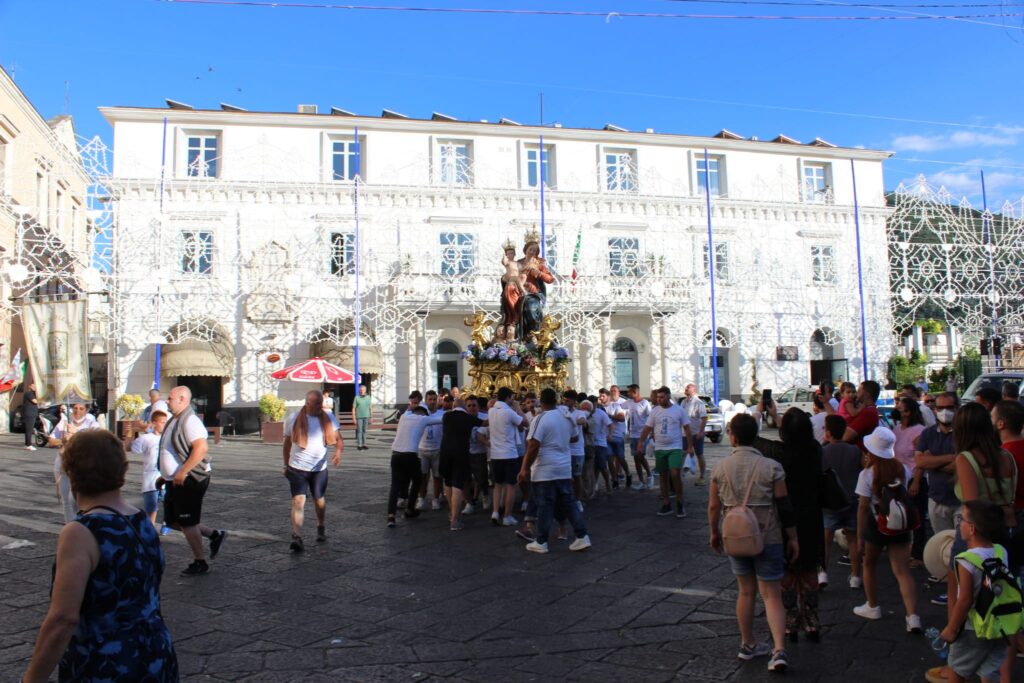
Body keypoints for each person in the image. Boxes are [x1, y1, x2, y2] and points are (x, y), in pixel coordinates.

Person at [21, 430, 178, 682]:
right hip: (155, 654)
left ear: (71, 472)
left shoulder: (81, 532)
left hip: (105, 663)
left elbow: (63, 618)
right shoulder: (141, 520)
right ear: (121, 470)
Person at [927, 402, 1019, 683]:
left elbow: (970, 505)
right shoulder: (1007, 458)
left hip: (976, 536)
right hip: (1007, 534)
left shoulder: (966, 458)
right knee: (998, 601)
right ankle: (997, 675)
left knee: (962, 600)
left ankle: (955, 666)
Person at [708, 413, 797, 673]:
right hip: (767, 535)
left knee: (745, 592)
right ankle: (779, 650)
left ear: (732, 435)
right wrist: (792, 536)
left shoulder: (720, 467)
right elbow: (784, 505)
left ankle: (747, 644)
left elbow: (714, 506)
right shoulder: (771, 467)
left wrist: (714, 532)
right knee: (772, 595)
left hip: (735, 536)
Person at [755, 404, 824, 642]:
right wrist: (776, 415)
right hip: (812, 515)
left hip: (785, 516)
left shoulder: (778, 452)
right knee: (809, 567)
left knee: (786, 569)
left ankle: (791, 621)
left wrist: (762, 413)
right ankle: (812, 619)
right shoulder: (815, 449)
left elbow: (751, 438)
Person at [853, 426, 922, 633]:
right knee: (902, 571)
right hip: (901, 524)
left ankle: (872, 606)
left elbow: (863, 507)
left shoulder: (867, 474)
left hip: (877, 524)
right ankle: (913, 616)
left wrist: (859, 536)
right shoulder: (903, 470)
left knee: (869, 564)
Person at [939, 500, 1012, 683]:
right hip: (998, 624)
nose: (958, 524)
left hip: (973, 628)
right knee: (989, 671)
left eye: (960, 519)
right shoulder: (1001, 551)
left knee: (956, 671)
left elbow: (964, 600)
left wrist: (952, 628)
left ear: (971, 529)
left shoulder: (966, 559)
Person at [159, 385, 226, 576]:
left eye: (170, 398)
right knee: (172, 521)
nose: (167, 400)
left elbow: (201, 448)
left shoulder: (190, 421)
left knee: (187, 521)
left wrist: (183, 471)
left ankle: (200, 561)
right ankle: (214, 534)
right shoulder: (175, 419)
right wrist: (165, 476)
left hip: (190, 479)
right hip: (175, 479)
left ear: (182, 399)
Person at [518, 388, 591, 553]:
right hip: (564, 468)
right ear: (556, 399)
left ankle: (541, 541)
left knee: (545, 505)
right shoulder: (565, 417)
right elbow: (575, 437)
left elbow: (533, 445)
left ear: (540, 402)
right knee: (570, 504)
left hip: (545, 469)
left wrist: (524, 468)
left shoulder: (540, 419)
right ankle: (582, 536)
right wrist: (559, 437)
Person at [915, 391, 961, 606]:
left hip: (960, 500)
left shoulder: (963, 434)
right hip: (937, 497)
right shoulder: (928, 434)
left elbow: (961, 466)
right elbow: (921, 463)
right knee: (943, 546)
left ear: (957, 408)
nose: (944, 412)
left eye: (948, 407)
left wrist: (934, 460)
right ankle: (949, 587)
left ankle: (960, 590)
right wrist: (949, 459)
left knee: (961, 548)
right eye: (939, 407)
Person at [282, 390, 343, 551]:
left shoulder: (328, 417)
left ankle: (320, 525)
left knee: (319, 499)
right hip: (297, 467)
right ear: (307, 403)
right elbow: (287, 443)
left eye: (320, 403)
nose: (320, 406)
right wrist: (285, 464)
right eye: (316, 403)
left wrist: (338, 452)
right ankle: (297, 536)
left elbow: (338, 439)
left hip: (319, 469)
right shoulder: (294, 418)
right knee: (298, 501)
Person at [820, 414, 863, 588]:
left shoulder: (823, 451)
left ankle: (822, 572)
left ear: (828, 433)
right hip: (851, 498)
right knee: (853, 539)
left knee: (826, 539)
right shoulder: (855, 450)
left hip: (830, 501)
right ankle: (855, 576)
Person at [639, 386, 693, 518]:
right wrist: (641, 442)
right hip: (660, 448)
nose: (659, 399)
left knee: (675, 474)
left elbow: (687, 428)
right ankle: (666, 503)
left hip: (675, 447)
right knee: (663, 476)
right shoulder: (655, 411)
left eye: (662, 397)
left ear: (668, 396)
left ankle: (680, 502)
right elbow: (647, 427)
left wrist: (690, 446)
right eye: (658, 397)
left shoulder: (679, 410)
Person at [387, 403, 443, 528]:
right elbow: (441, 419)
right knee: (418, 481)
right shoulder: (423, 418)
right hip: (411, 454)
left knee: (395, 486)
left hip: (396, 454)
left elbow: (409, 407)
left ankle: (391, 516)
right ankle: (410, 509)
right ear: (423, 413)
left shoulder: (403, 417)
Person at [49, 402, 101, 523]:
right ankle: (70, 526)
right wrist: (62, 440)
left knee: (77, 499)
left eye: (81, 408)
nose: (77, 411)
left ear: (86, 410)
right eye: (75, 408)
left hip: (81, 466)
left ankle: (81, 526)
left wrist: (76, 432)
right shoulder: (65, 422)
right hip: (63, 464)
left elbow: (96, 441)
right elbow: (51, 440)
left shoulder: (92, 423)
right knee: (66, 501)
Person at [439, 397, 484, 531]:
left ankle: (451, 512)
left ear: (453, 406)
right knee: (457, 485)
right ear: (464, 407)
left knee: (448, 483)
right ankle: (455, 519)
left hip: (445, 452)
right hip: (461, 453)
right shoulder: (468, 418)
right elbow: (485, 423)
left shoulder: (446, 416)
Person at [488, 387, 526, 525]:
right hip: (509, 453)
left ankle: (495, 512)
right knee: (510, 485)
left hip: (495, 454)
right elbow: (525, 423)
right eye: (512, 398)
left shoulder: (491, 411)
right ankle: (507, 516)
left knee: (498, 484)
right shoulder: (509, 412)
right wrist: (518, 409)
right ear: (508, 398)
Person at [130, 410, 169, 529]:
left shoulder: (168, 437)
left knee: (170, 506)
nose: (164, 425)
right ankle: (150, 533)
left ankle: (166, 523)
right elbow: (130, 448)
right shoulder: (146, 438)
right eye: (162, 422)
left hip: (166, 478)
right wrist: (130, 431)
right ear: (154, 423)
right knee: (151, 510)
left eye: (165, 422)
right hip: (151, 480)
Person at [416, 390, 445, 511]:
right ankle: (421, 499)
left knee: (437, 477)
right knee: (422, 476)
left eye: (434, 399)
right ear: (426, 400)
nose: (432, 402)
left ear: (437, 400)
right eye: (430, 399)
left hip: (437, 449)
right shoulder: (421, 414)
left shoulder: (442, 414)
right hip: (423, 449)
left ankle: (436, 499)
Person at [680, 383, 709, 485]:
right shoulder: (683, 402)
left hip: (696, 433)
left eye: (689, 387)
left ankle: (702, 477)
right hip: (684, 433)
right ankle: (682, 472)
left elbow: (704, 418)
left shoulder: (698, 402)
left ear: (694, 390)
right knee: (683, 453)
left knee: (699, 454)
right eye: (686, 387)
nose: (686, 388)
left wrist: (701, 431)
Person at [624, 384, 652, 489]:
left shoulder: (645, 403)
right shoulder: (629, 402)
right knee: (635, 458)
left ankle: (649, 474)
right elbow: (619, 405)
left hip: (642, 434)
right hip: (633, 434)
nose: (628, 394)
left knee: (640, 455)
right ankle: (641, 481)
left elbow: (651, 418)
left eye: (630, 392)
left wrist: (651, 433)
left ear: (635, 391)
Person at [601, 386, 630, 487]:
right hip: (606, 437)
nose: (601, 398)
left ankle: (627, 473)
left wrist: (609, 416)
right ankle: (615, 478)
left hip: (618, 435)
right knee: (609, 458)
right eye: (600, 396)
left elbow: (622, 418)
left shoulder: (617, 405)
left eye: (602, 396)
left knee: (620, 457)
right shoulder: (599, 407)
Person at [842, 380, 882, 449]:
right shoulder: (868, 410)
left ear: (866, 394)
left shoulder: (868, 412)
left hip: (859, 455)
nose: (855, 394)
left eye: (858, 391)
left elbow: (846, 436)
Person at [587, 397, 614, 496]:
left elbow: (611, 425)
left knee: (602, 465)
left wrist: (610, 434)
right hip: (589, 443)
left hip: (600, 443)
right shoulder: (585, 413)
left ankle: (608, 483)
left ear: (596, 404)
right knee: (592, 466)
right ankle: (593, 486)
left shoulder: (601, 413)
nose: (591, 407)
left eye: (593, 404)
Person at [353, 384, 372, 450]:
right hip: (359, 417)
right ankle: (359, 445)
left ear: (365, 390)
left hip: (366, 416)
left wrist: (371, 417)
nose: (361, 391)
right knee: (359, 431)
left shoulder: (368, 397)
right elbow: (353, 408)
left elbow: (370, 407)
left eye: (363, 390)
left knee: (365, 431)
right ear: (359, 391)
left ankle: (364, 444)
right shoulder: (356, 397)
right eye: (360, 390)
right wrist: (354, 418)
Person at [22, 381, 39, 450]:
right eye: (33, 386)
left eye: (35, 386)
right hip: (29, 414)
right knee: (29, 429)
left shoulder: (33, 394)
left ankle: (27, 444)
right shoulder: (29, 393)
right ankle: (29, 445)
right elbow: (35, 401)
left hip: (32, 413)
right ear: (30, 386)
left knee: (29, 429)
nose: (35, 387)